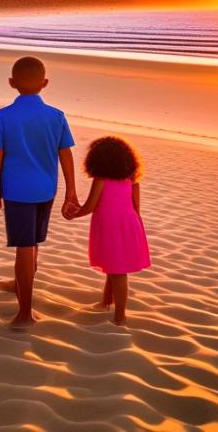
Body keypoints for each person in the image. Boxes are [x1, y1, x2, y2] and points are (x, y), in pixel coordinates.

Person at [0, 56, 78, 329]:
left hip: (17, 190)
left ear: (11, 83)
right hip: (46, 188)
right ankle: (19, 283)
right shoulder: (56, 116)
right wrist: (71, 190)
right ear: (45, 83)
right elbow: (66, 155)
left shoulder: (3, 116)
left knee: (24, 247)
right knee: (32, 243)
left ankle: (25, 312)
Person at [64, 136, 150, 326]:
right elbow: (136, 209)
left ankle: (120, 316)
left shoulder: (101, 179)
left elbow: (90, 206)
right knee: (114, 266)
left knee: (117, 271)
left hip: (110, 226)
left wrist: (73, 214)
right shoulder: (131, 180)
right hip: (129, 225)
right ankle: (106, 302)